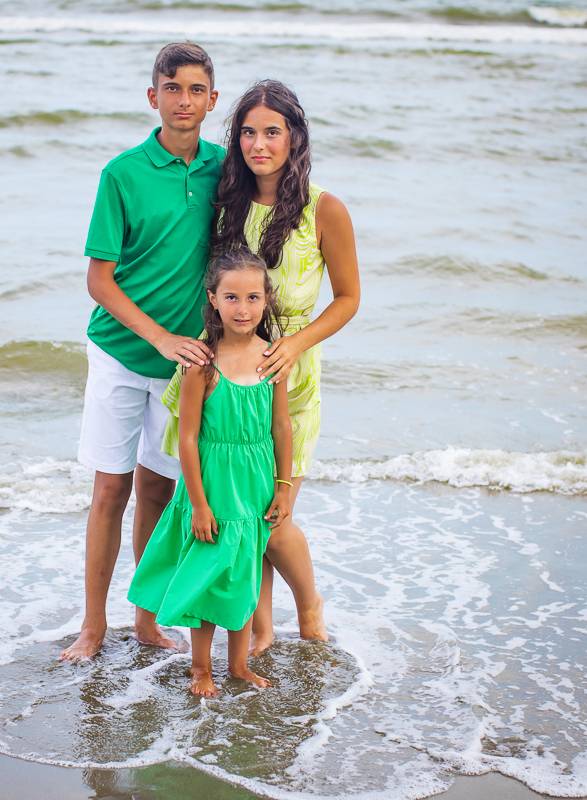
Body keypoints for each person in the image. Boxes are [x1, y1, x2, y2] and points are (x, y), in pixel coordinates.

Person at [161, 79, 361, 656]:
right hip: (219, 376)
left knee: (274, 516)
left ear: (294, 136)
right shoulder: (225, 199)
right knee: (234, 514)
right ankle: (259, 627)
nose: (258, 143)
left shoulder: (325, 209)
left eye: (272, 131)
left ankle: (309, 604)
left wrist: (295, 344)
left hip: (287, 379)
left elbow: (347, 298)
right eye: (247, 131)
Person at [60, 42, 224, 662]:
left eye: (196, 89)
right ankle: (93, 626)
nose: (184, 101)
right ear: (152, 96)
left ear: (213, 100)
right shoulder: (122, 173)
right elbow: (99, 279)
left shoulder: (223, 169)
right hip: (122, 355)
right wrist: (158, 337)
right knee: (110, 489)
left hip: (189, 366)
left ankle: (146, 618)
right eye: (172, 88)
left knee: (158, 491)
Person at [128, 250, 293, 697]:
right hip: (213, 488)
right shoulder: (203, 363)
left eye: (253, 297)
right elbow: (186, 438)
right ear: (213, 299)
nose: (243, 308)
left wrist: (284, 486)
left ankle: (237, 666)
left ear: (266, 299)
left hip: (255, 485)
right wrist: (198, 505)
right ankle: (201, 667)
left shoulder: (274, 359)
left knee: (244, 576)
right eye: (232, 297)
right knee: (206, 577)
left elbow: (281, 426)